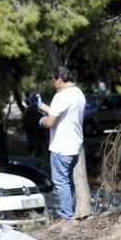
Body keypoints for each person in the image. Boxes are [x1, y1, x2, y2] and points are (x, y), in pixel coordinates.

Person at [36, 66, 86, 221]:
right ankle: (69, 214)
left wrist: (41, 120)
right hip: (74, 146)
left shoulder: (61, 96)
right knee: (67, 181)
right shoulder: (78, 93)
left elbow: (50, 121)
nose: (54, 84)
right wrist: (40, 105)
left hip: (61, 147)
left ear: (60, 79)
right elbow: (61, 113)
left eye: (54, 81)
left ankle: (66, 217)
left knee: (61, 182)